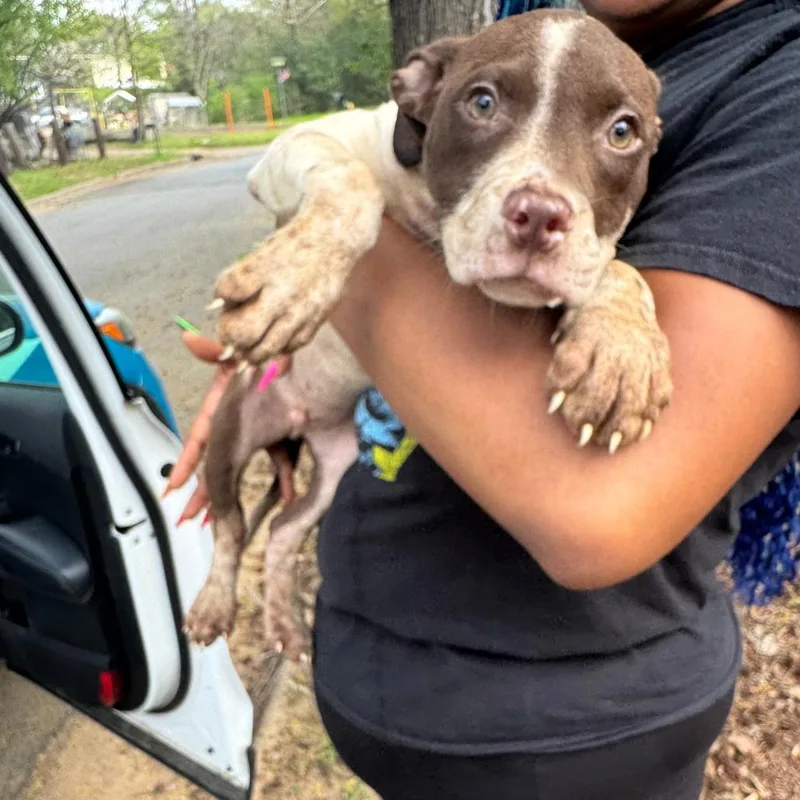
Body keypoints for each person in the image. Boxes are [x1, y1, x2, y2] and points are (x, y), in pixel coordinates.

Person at [166, 1, 800, 797]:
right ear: (421, 94)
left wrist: (340, 249)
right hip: (383, 681)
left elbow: (596, 511)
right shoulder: (527, 37)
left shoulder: (780, 78)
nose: (538, 202)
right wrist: (299, 288)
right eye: (484, 103)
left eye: (619, 134)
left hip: (569, 734)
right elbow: (298, 161)